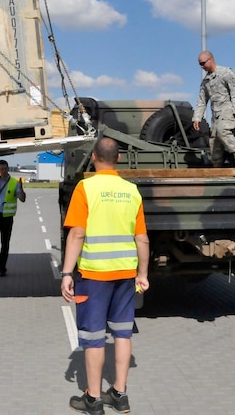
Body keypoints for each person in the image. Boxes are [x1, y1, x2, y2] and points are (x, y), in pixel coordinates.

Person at [61, 137, 149, 415]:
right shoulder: (132, 191)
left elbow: (77, 233)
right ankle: (120, 394)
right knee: (122, 333)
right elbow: (142, 239)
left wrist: (66, 272)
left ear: (94, 158)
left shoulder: (86, 188)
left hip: (94, 274)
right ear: (119, 159)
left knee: (94, 336)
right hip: (125, 273)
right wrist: (142, 274)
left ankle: (94, 399)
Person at [192, 50, 235, 167]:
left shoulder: (226, 73)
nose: (201, 67)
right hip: (215, 113)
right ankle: (216, 166)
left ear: (210, 60)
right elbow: (202, 100)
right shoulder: (205, 81)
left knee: (222, 131)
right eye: (199, 64)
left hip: (227, 109)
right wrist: (197, 117)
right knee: (214, 140)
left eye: (202, 63)